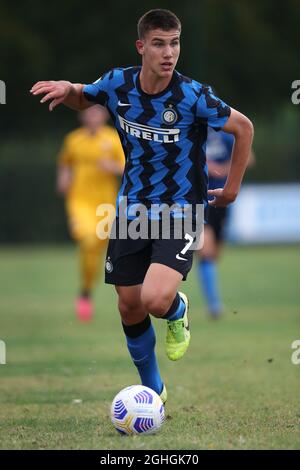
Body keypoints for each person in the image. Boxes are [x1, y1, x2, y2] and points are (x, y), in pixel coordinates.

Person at [30, 9, 254, 403]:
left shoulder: (193, 95)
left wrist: (232, 187)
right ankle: (155, 390)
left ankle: (175, 308)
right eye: (159, 43)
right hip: (133, 210)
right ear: (141, 46)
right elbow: (85, 97)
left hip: (181, 211)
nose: (169, 53)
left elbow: (243, 127)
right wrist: (68, 91)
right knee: (129, 307)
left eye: (175, 43)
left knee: (154, 299)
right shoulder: (119, 83)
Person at [57, 105, 124, 321]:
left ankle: (88, 291)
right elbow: (65, 162)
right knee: (88, 239)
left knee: (99, 248)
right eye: (88, 112)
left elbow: (127, 168)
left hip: (106, 204)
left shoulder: (113, 138)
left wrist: (112, 167)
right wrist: (64, 178)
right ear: (81, 115)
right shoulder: (73, 139)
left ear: (104, 115)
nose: (93, 116)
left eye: (96, 112)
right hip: (79, 201)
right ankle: (85, 293)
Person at [197, 127, 255, 318]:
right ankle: (214, 305)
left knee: (214, 254)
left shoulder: (227, 135)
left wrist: (224, 169)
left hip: (222, 201)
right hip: (197, 199)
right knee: (205, 251)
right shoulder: (190, 131)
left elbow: (249, 157)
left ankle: (210, 296)